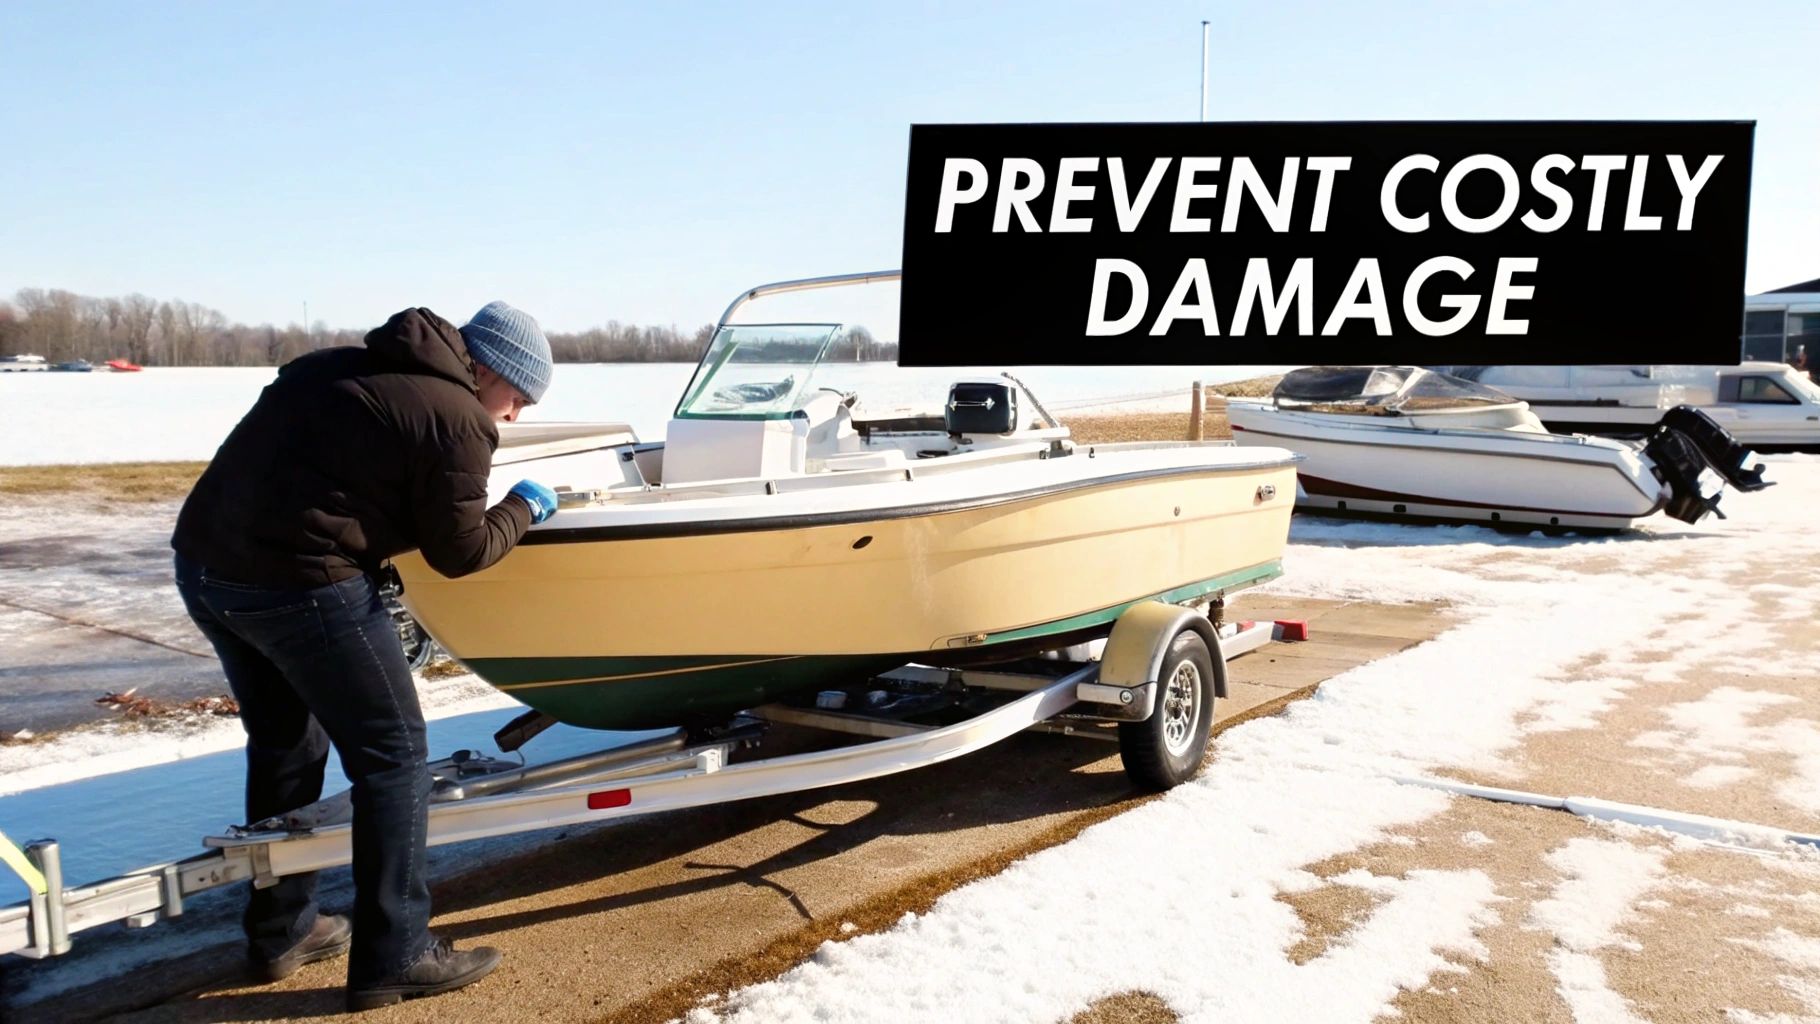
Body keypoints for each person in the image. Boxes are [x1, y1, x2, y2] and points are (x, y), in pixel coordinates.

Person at [171, 301, 560, 1011]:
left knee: (288, 739)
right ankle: (398, 952)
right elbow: (462, 552)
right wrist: (527, 508)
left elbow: (336, 478)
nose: (515, 418)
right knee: (397, 754)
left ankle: (283, 928)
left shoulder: (340, 366)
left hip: (205, 569)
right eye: (519, 398)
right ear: (484, 371)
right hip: (298, 585)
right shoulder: (458, 417)